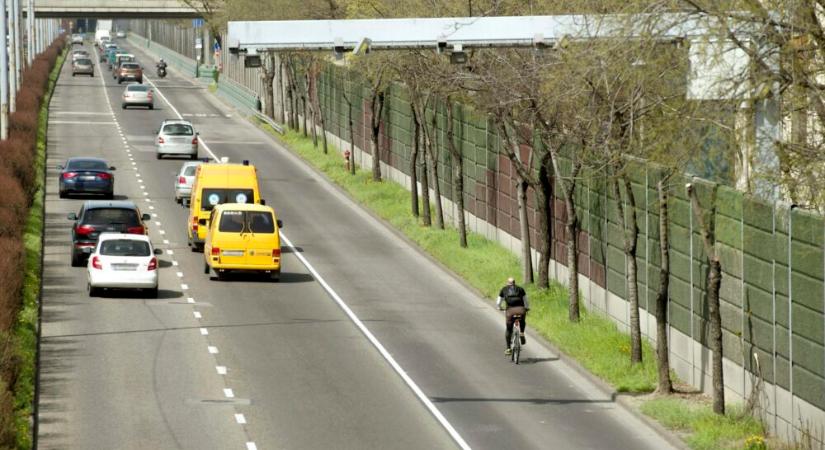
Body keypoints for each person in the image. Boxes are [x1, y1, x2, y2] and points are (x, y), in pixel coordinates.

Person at [496, 277, 530, 355]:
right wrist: (527, 308)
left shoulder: (504, 289)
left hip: (510, 311)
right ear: (515, 283)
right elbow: (526, 300)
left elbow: (498, 302)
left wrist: (499, 308)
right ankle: (521, 333)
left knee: (508, 329)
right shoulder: (521, 289)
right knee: (522, 320)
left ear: (507, 283)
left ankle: (508, 348)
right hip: (521, 310)